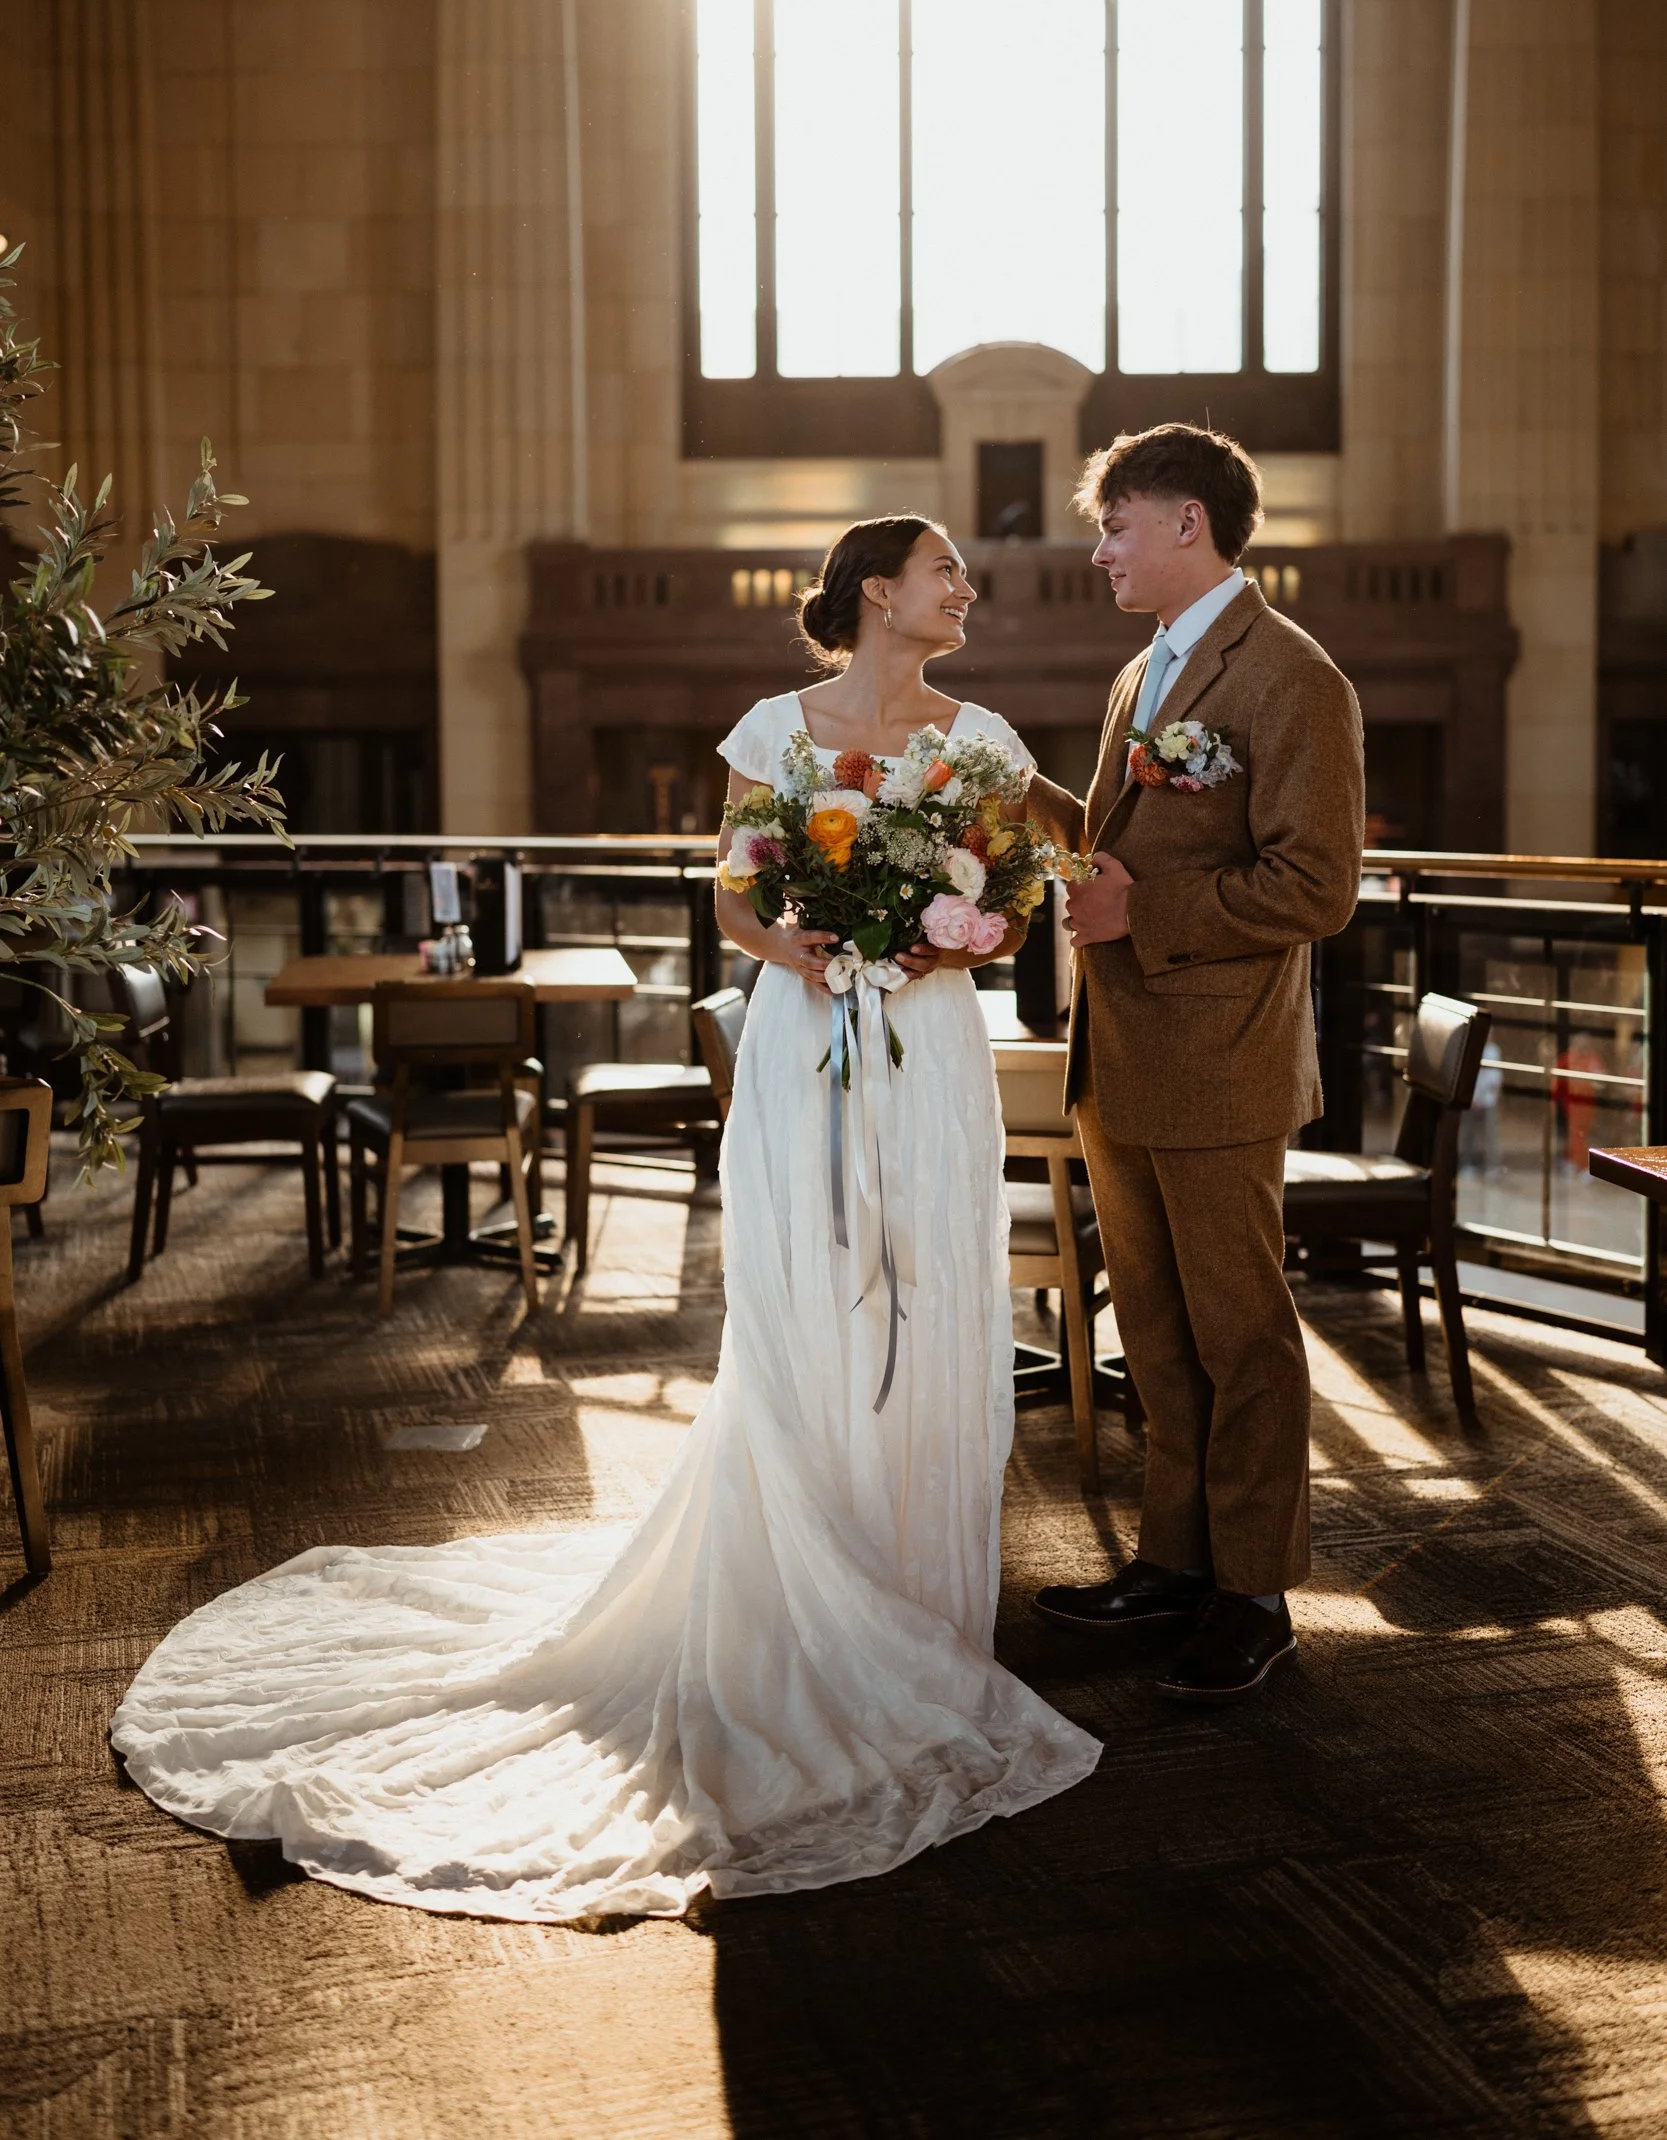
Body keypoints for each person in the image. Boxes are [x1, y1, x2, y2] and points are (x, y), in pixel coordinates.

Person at [112, 513, 1099, 1923]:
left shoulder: (986, 737)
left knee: (931, 1293)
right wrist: (799, 944)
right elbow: (737, 888)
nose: (966, 589)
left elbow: (1009, 898)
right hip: (802, 1044)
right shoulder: (775, 725)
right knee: (807, 1297)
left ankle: (917, 1605)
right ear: (880, 591)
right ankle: (804, 1585)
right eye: (946, 570)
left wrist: (960, 931)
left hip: (928, 1053)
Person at [1028, 426, 1364, 1701]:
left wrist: (1143, 920)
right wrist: (1033, 799)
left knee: (1242, 1337)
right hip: (1118, 1058)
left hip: (1218, 1062)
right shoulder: (1142, 674)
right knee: (1157, 1336)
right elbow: (1130, 848)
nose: (1099, 547)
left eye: (1116, 523)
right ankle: (1174, 1559)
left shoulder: (1290, 678)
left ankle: (1256, 1594)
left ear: (1187, 523)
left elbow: (1317, 886)